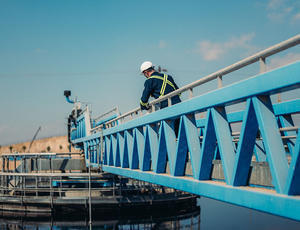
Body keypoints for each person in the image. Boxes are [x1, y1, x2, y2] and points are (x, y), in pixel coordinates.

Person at [139, 61, 181, 136]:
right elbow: (179, 92)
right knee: (179, 135)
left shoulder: (149, 81)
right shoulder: (168, 77)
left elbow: (143, 101)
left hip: (167, 111)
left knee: (167, 137)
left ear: (146, 72)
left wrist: (144, 107)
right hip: (179, 107)